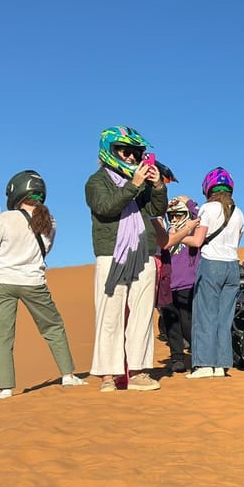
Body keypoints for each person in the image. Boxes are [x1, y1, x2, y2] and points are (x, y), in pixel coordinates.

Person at [0, 170, 86, 399]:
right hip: (33, 282)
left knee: (3, 336)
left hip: (2, 282)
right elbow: (45, 250)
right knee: (53, 327)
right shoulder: (51, 220)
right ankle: (68, 375)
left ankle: (6, 388)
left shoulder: (5, 218)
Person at [85, 125, 168, 393]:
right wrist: (134, 185)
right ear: (110, 150)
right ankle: (108, 375)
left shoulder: (140, 184)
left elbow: (157, 210)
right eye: (125, 151)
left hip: (143, 253)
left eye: (136, 152)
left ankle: (139, 372)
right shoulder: (96, 182)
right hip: (112, 254)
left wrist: (156, 186)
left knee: (142, 314)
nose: (131, 157)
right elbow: (106, 208)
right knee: (110, 315)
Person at [180, 167, 244, 379]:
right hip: (232, 267)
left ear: (208, 188)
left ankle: (204, 365)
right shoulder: (239, 212)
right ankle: (221, 365)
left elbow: (197, 241)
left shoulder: (208, 209)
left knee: (205, 314)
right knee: (224, 318)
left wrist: (178, 236)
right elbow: (237, 242)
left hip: (211, 264)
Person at [152, 197, 201, 373]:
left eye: (179, 215)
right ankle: (177, 358)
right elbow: (154, 217)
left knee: (188, 322)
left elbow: (198, 215)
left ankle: (197, 356)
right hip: (167, 284)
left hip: (188, 284)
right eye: (171, 216)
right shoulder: (164, 232)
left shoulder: (192, 232)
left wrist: (188, 202)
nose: (174, 219)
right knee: (171, 323)